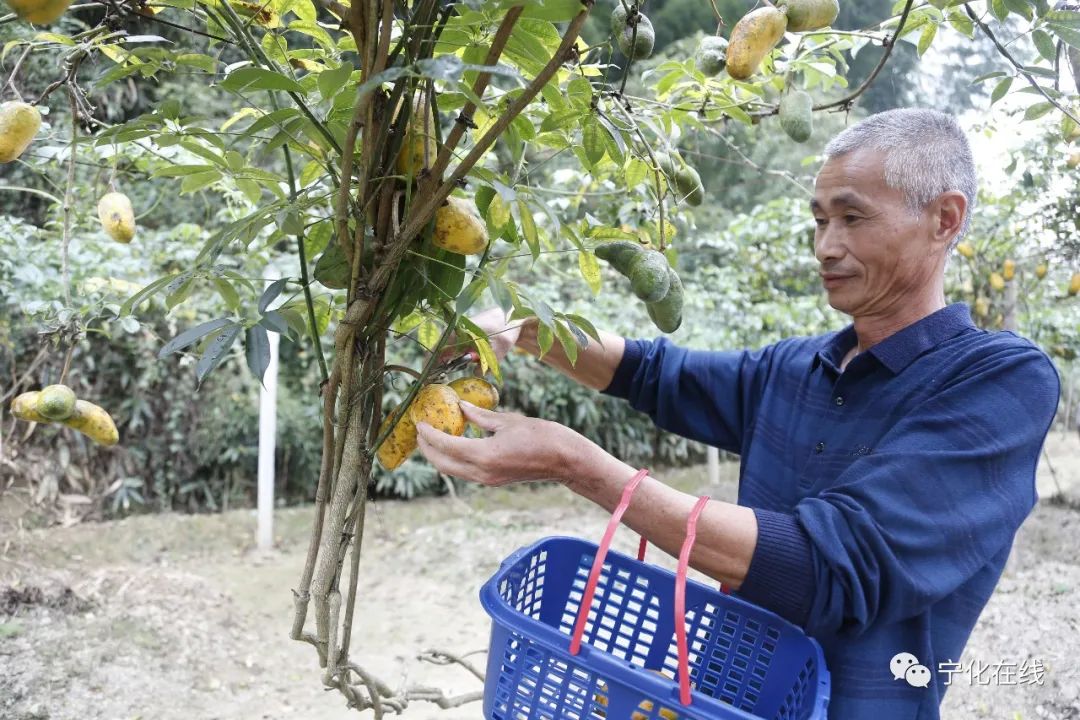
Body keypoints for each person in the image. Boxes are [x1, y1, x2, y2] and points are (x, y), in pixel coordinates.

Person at [413, 108, 1060, 719]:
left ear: (945, 219)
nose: (825, 247)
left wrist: (575, 464)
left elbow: (828, 564)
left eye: (852, 218)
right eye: (818, 220)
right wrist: (526, 328)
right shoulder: (796, 368)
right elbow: (651, 372)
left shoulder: (1000, 383)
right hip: (723, 695)